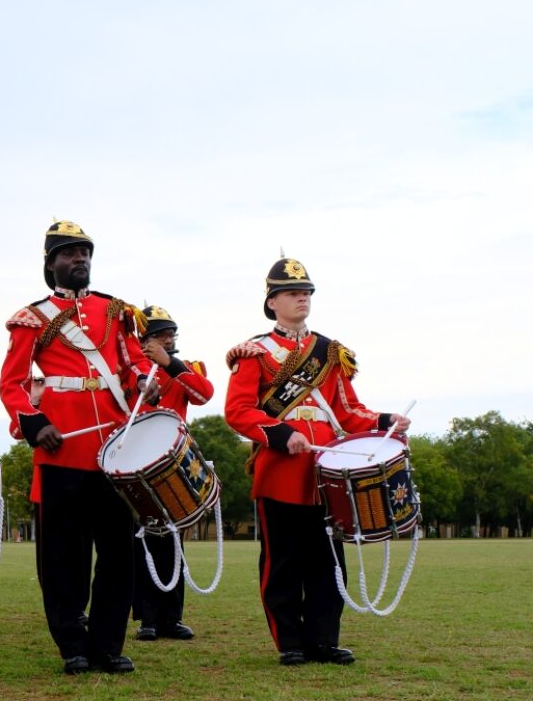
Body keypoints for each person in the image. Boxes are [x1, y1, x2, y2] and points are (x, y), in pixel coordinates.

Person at [224, 256, 410, 666]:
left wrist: (384, 421)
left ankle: (323, 640)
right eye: (292, 293)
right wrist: (279, 432)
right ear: (272, 302)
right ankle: (290, 641)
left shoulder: (329, 352)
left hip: (325, 472)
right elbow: (238, 411)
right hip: (280, 471)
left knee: (327, 563)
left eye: (306, 293)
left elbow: (348, 411)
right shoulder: (254, 352)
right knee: (282, 562)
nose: (302, 299)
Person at [0, 220, 154, 674]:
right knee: (64, 557)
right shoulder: (33, 317)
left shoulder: (115, 311)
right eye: (68, 253)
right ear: (51, 265)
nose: (78, 258)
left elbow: (133, 360)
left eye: (84, 251)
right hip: (61, 448)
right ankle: (72, 644)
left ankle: (108, 644)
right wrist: (34, 422)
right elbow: (11, 383)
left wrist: (144, 376)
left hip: (114, 448)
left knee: (117, 555)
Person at [132, 305, 215, 642]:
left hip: (173, 464)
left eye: (170, 333)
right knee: (141, 542)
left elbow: (204, 394)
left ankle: (171, 617)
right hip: (138, 464)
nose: (167, 338)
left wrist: (170, 364)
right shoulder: (129, 370)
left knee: (174, 542)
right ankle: (147, 618)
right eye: (158, 334)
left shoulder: (185, 368)